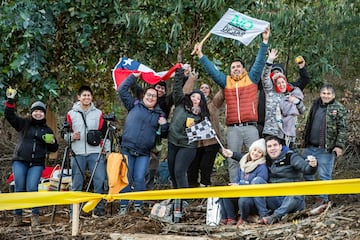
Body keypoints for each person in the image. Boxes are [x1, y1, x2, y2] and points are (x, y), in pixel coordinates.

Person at [193, 26, 270, 183]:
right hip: (233, 128)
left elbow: (259, 61)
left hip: (250, 127)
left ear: (243, 69)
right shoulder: (226, 82)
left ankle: (256, 186)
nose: (235, 69)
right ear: (230, 70)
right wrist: (201, 54)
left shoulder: (252, 78)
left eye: (238, 67)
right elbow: (212, 72)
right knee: (231, 158)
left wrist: (265, 41)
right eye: (232, 67)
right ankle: (235, 187)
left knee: (258, 157)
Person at [5, 88, 59, 227]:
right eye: (36, 110)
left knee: (32, 188)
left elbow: (54, 148)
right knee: (19, 188)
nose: (38, 113)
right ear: (32, 112)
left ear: (44, 114)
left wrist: (52, 142)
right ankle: (17, 217)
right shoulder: (24, 123)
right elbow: (9, 116)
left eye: (41, 111)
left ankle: (35, 217)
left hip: (37, 163)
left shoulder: (47, 130)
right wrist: (10, 101)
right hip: (20, 161)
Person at [118, 73, 169, 215]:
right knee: (126, 178)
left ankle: (138, 205)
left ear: (156, 99)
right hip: (127, 149)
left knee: (140, 178)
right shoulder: (134, 105)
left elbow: (164, 134)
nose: (151, 97)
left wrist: (164, 125)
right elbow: (122, 90)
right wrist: (133, 77)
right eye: (149, 94)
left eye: (154, 96)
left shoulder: (159, 114)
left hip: (144, 153)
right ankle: (123, 206)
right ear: (144, 96)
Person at [64, 85, 110, 218]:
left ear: (92, 97)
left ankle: (98, 209)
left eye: (89, 95)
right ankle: (74, 211)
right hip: (77, 152)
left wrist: (107, 151)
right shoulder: (71, 114)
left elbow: (104, 133)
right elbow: (64, 134)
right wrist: (72, 137)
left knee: (99, 180)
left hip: (95, 152)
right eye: (84, 95)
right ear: (79, 97)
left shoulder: (98, 113)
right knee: (77, 182)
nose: (86, 97)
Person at [302, 83, 347, 208]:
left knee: (324, 174)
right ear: (320, 94)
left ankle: (323, 199)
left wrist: (339, 145)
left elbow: (343, 128)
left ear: (333, 95)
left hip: (326, 148)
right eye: (324, 93)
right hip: (310, 146)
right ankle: (312, 194)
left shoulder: (339, 108)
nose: (326, 96)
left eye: (328, 94)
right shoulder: (315, 105)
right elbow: (309, 124)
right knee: (306, 171)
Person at [257, 136, 317, 224]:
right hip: (275, 198)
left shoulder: (290, 156)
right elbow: (250, 157)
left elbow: (306, 168)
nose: (272, 148)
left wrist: (312, 166)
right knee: (257, 181)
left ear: (280, 147)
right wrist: (232, 155)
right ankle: (264, 215)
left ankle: (275, 217)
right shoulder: (266, 160)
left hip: (292, 199)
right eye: (269, 146)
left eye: (275, 145)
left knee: (296, 192)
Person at [167, 67, 210, 189]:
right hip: (173, 141)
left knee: (179, 171)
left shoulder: (202, 115)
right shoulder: (180, 103)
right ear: (189, 97)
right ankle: (177, 198)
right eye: (193, 96)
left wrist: (196, 125)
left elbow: (206, 131)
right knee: (172, 171)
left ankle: (184, 199)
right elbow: (176, 89)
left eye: (198, 98)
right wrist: (180, 72)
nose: (195, 99)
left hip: (187, 146)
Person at [183, 77, 224, 187]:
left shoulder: (213, 104)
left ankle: (205, 188)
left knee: (206, 167)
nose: (204, 89)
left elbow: (222, 92)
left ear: (210, 91)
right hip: (196, 142)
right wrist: (191, 79)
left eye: (207, 88)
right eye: (202, 87)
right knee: (192, 167)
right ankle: (192, 190)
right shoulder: (192, 105)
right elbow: (185, 93)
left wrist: (217, 76)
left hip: (211, 141)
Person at [261, 49, 306, 147]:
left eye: (283, 82)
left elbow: (303, 110)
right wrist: (269, 60)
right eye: (278, 83)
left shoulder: (291, 94)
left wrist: (297, 101)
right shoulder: (270, 92)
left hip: (287, 135)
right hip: (272, 133)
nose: (281, 85)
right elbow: (264, 77)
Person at [221, 138, 269, 225]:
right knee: (225, 194)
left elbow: (257, 185)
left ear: (262, 155)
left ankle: (243, 218)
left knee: (243, 200)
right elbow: (237, 179)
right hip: (240, 191)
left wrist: (240, 185)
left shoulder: (262, 167)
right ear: (251, 149)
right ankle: (230, 218)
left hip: (252, 196)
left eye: (259, 152)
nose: (255, 153)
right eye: (254, 150)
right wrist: (234, 185)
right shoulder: (243, 162)